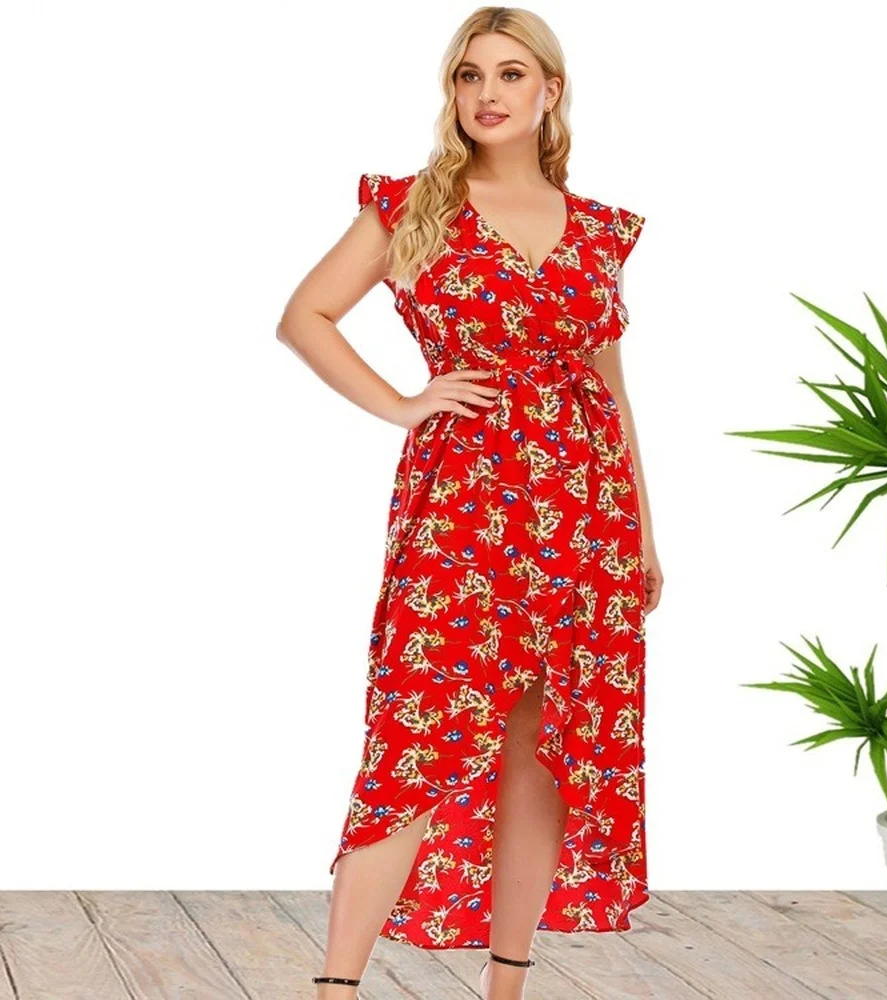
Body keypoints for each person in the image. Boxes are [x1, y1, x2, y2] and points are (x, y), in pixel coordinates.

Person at [277, 7, 663, 998]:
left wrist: (644, 536)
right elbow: (304, 316)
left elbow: (608, 389)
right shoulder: (414, 207)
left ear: (550, 90)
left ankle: (507, 987)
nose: (487, 93)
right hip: (463, 508)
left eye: (510, 73)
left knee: (541, 749)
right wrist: (405, 403)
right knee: (416, 734)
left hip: (586, 516)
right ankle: (336, 988)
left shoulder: (599, 229)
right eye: (468, 75)